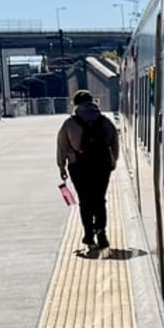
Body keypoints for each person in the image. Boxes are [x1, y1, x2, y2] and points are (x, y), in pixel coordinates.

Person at [57, 88, 121, 254]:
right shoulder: (105, 121)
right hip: (102, 166)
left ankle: (89, 236)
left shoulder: (70, 123)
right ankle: (101, 233)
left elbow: (62, 146)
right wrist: (113, 161)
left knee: (85, 201)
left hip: (79, 167)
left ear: (76, 104)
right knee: (99, 200)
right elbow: (114, 143)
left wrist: (62, 167)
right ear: (92, 101)